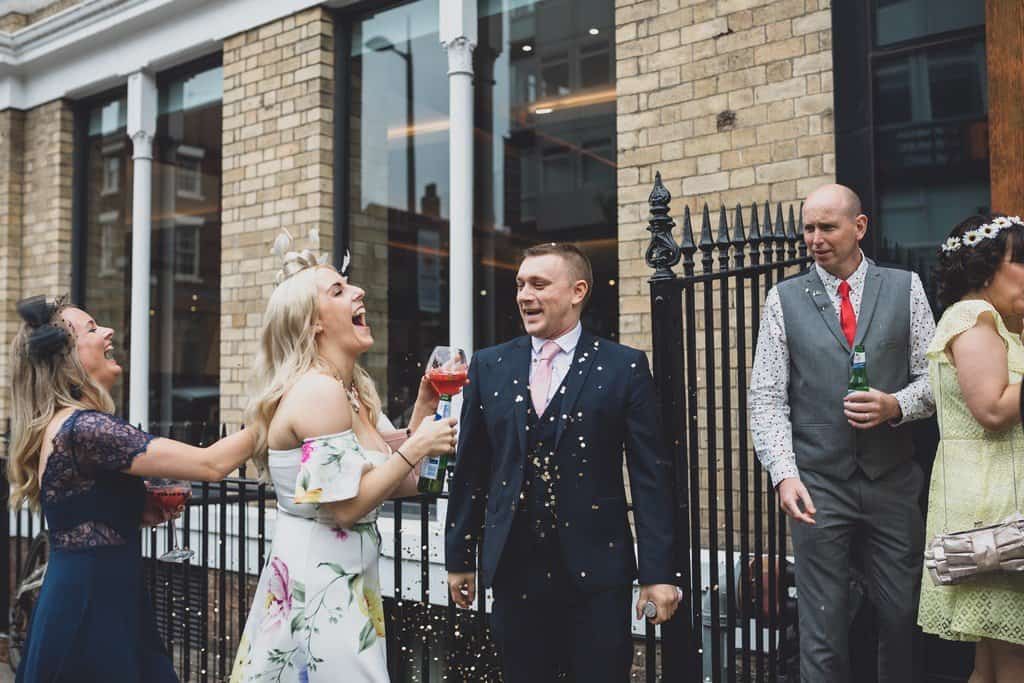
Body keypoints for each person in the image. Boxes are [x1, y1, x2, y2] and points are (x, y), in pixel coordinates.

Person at [445, 242, 679, 682]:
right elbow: (471, 469)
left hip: (597, 575)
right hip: (514, 572)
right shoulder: (490, 365)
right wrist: (459, 556)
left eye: (538, 284)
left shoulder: (623, 367)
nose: (524, 295)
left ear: (577, 291)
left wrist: (658, 573)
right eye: (520, 285)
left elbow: (650, 477)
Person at [229, 234, 457, 682]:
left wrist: (422, 415)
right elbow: (345, 508)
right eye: (338, 290)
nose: (359, 291)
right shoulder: (319, 392)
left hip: (348, 584)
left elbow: (403, 482)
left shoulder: (352, 391)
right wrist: (416, 445)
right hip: (319, 588)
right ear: (313, 323)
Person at [8, 295, 258, 683]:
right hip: (92, 610)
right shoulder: (85, 428)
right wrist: (277, 412)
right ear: (67, 358)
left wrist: (135, 509)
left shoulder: (66, 426)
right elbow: (211, 464)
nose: (108, 331)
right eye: (92, 329)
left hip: (102, 597)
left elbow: (86, 514)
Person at [749, 184, 936, 682]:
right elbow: (766, 397)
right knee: (822, 627)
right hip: (818, 484)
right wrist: (785, 474)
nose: (815, 239)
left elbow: (937, 381)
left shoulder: (906, 287)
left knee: (902, 616)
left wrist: (896, 405)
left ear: (860, 227)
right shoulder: (783, 299)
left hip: (892, 480)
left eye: (827, 227)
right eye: (808, 228)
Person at [918, 214, 1024, 683]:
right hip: (997, 509)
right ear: (985, 268)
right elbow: (994, 409)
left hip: (997, 503)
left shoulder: (995, 322)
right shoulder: (973, 319)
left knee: (994, 661)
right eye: (1020, 261)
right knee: (1014, 657)